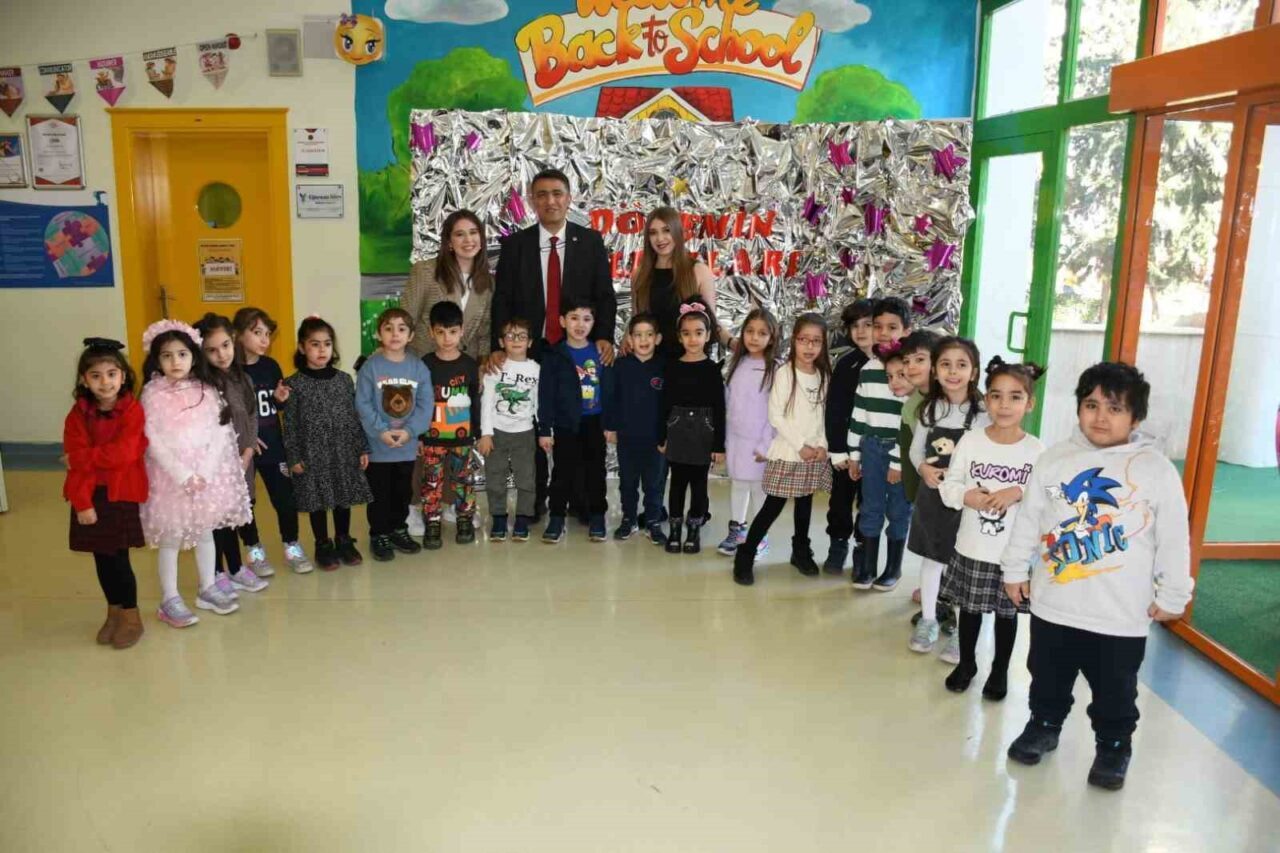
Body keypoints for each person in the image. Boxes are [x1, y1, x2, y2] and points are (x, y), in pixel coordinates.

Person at [1002, 362, 1191, 791]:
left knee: (1115, 691)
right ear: (1078, 409)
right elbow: (1030, 519)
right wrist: (1014, 570)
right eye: (1091, 405)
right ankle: (1044, 724)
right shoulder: (1055, 460)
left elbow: (1174, 539)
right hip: (1055, 606)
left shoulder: (1155, 470)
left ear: (1136, 418)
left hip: (1119, 616)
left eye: (1115, 408)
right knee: (1046, 676)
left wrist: (1174, 593)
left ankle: (1113, 746)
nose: (1101, 417)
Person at [491, 167, 617, 520]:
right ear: (532, 201)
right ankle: (533, 502)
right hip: (530, 351)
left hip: (576, 351)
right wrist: (499, 346)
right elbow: (502, 301)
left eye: (557, 193)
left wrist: (603, 336)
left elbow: (605, 297)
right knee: (531, 428)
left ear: (569, 198)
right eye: (542, 194)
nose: (550, 201)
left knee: (576, 426)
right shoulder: (516, 245)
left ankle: (579, 499)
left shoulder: (589, 242)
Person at [938, 358, 1045, 698]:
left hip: (1012, 554)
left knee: (1006, 616)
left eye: (1015, 397)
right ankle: (967, 663)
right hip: (973, 547)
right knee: (969, 611)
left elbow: (1047, 497)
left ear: (1029, 403)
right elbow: (950, 484)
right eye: (996, 396)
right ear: (986, 400)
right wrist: (965, 496)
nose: (1004, 405)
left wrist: (1018, 491)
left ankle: (999, 671)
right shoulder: (971, 441)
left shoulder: (1036, 450)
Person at [139, 319, 252, 627]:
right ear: (156, 360)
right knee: (172, 539)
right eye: (167, 356)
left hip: (204, 479)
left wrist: (204, 471)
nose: (175, 362)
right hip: (171, 481)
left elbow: (220, 432)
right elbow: (152, 439)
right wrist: (183, 474)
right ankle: (169, 598)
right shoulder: (152, 394)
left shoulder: (207, 389)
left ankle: (207, 587)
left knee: (205, 532)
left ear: (193, 356)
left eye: (182, 354)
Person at [733, 314, 832, 586]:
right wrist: (800, 445)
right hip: (789, 451)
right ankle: (746, 553)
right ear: (794, 340)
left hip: (813, 454)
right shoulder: (785, 373)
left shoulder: (824, 376)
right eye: (803, 340)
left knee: (805, 504)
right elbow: (776, 415)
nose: (809, 347)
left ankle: (800, 550)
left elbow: (824, 415)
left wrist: (822, 445)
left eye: (816, 341)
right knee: (772, 506)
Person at [63, 337, 148, 649]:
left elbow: (124, 454)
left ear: (123, 376)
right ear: (84, 379)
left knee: (119, 558)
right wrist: (82, 503)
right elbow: (77, 462)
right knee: (101, 557)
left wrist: (83, 457)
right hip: (90, 494)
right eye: (96, 376)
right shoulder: (77, 414)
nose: (105, 382)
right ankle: (113, 611)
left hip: (121, 493)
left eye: (111, 374)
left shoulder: (132, 410)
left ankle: (131, 617)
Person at [907, 336, 988, 662]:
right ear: (935, 371)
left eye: (961, 365)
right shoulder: (929, 409)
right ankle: (928, 619)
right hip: (933, 496)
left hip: (967, 501)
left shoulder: (983, 413)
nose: (953, 372)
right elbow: (916, 450)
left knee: (962, 564)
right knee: (933, 558)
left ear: (974, 371)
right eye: (945, 364)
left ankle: (960, 632)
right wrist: (923, 468)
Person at [282, 316, 372, 570]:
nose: (322, 350)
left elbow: (354, 417)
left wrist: (362, 447)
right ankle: (322, 544)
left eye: (327, 344)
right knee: (317, 500)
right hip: (312, 454)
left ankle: (343, 539)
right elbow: (289, 425)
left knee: (343, 497)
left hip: (342, 451)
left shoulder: (344, 380)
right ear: (302, 348)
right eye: (315, 344)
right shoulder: (294, 384)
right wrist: (293, 457)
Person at [232, 307, 311, 574]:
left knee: (284, 499)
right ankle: (253, 549)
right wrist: (246, 439)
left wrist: (280, 400)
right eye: (257, 333)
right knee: (246, 501)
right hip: (243, 449)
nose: (265, 339)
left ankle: (292, 545)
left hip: (273, 446)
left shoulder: (270, 366)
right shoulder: (230, 371)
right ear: (238, 334)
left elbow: (275, 406)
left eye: (267, 334)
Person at [195, 313, 269, 596]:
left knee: (236, 516)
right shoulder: (201, 386)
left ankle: (237, 568)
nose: (221, 354)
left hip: (242, 462)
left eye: (225, 345)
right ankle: (217, 572)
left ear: (233, 341)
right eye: (212, 350)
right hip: (215, 467)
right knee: (217, 520)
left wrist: (247, 453)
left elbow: (251, 417)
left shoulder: (243, 378)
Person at [356, 307, 432, 562]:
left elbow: (425, 405)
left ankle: (398, 529)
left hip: (406, 446)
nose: (395, 334)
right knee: (379, 493)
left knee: (402, 492)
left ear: (411, 336)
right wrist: (381, 431)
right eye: (388, 329)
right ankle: (379, 533)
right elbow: (363, 404)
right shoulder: (370, 367)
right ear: (379, 334)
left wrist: (410, 432)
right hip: (379, 447)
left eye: (401, 329)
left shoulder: (418, 368)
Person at [848, 297, 913, 590]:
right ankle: (867, 567)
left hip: (901, 452)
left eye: (892, 327)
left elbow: (910, 423)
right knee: (870, 507)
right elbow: (859, 414)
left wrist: (898, 461)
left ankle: (893, 569)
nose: (884, 333)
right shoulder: (868, 369)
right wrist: (854, 454)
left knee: (898, 510)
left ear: (907, 331)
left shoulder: (911, 372)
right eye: (878, 326)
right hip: (872, 448)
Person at [538, 297, 614, 543]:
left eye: (586, 319)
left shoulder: (600, 353)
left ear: (593, 323)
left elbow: (609, 391)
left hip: (594, 422)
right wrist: (545, 429)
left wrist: (610, 424)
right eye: (574, 318)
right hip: (565, 423)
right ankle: (557, 517)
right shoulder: (554, 355)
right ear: (562, 321)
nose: (580, 324)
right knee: (562, 472)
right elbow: (546, 395)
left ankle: (597, 515)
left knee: (596, 471)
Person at [657, 301, 727, 554]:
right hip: (677, 428)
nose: (693, 339)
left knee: (699, 484)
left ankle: (694, 528)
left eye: (698, 333)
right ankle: (675, 529)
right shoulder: (673, 367)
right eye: (686, 333)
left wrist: (719, 445)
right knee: (676, 483)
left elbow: (719, 409)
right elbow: (664, 404)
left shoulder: (712, 370)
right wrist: (662, 436)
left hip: (703, 430)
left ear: (707, 336)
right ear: (679, 337)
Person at [418, 300, 482, 549]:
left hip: (462, 438)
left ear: (462, 331)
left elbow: (475, 400)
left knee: (463, 480)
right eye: (441, 332)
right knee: (431, 482)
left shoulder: (469, 365)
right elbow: (419, 402)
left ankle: (465, 518)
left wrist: (477, 431)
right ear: (431, 332)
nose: (447, 338)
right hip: (432, 438)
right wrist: (419, 435)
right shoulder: (425, 364)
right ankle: (432, 521)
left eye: (453, 332)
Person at [627, 206, 731, 357]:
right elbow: (635, 322)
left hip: (689, 364)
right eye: (653, 233)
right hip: (650, 364)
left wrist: (733, 343)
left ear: (677, 231)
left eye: (666, 230)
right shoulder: (639, 275)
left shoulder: (699, 271)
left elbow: (712, 324)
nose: (660, 238)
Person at [717, 306, 779, 557]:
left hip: (760, 444)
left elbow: (777, 412)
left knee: (758, 489)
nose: (754, 337)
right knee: (739, 484)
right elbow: (729, 402)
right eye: (750, 331)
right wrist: (723, 440)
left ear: (771, 338)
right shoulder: (737, 364)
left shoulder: (775, 368)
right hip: (736, 441)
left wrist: (766, 445)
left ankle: (760, 535)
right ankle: (737, 529)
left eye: (762, 333)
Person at [604, 313, 668, 544]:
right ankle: (629, 519)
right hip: (627, 437)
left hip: (656, 439)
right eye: (638, 335)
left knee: (654, 483)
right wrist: (610, 427)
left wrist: (667, 434)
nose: (643, 340)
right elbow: (611, 399)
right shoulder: (620, 366)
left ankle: (652, 521)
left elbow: (670, 405)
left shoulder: (664, 367)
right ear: (629, 339)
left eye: (649, 335)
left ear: (657, 339)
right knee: (628, 482)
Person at [478, 316, 541, 542]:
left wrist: (546, 432)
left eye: (522, 336)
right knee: (495, 478)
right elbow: (487, 401)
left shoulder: (536, 369)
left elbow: (538, 402)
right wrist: (486, 433)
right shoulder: (495, 367)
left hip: (525, 433)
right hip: (497, 432)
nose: (516, 340)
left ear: (530, 342)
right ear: (501, 341)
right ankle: (498, 518)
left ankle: (523, 518)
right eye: (510, 336)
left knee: (526, 478)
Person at [823, 298, 874, 574]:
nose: (861, 331)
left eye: (868, 324)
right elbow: (834, 409)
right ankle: (838, 544)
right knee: (840, 502)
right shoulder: (846, 364)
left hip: (875, 451)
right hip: (845, 450)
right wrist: (837, 449)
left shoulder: (890, 364)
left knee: (869, 504)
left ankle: (863, 548)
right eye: (855, 326)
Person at [401, 209, 493, 361]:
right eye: (460, 234)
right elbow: (405, 320)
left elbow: (485, 334)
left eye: (473, 232)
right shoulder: (425, 271)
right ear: (449, 242)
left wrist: (483, 365)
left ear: (481, 239)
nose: (468, 239)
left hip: (463, 368)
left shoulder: (489, 282)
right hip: (423, 364)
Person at [898, 329, 942, 610]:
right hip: (927, 483)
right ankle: (933, 589)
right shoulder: (912, 404)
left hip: (956, 485)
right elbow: (910, 452)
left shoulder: (953, 399)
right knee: (932, 542)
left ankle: (943, 591)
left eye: (919, 359)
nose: (911, 366)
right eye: (906, 361)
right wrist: (913, 492)